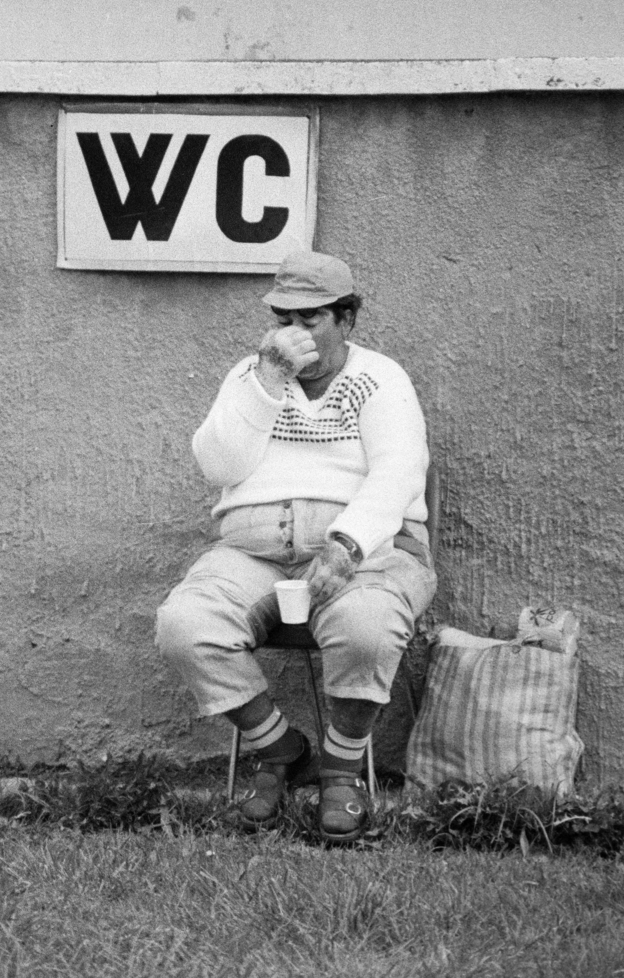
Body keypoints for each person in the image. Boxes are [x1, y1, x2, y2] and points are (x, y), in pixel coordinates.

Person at [155, 249, 436, 843]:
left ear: (347, 320)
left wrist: (346, 547)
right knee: (185, 625)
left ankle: (340, 768)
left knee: (366, 627)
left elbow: (400, 471)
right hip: (253, 553)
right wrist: (266, 384)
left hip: (365, 551)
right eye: (284, 316)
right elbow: (217, 464)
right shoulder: (250, 375)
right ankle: (280, 748)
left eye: (310, 319)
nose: (294, 331)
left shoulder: (379, 377)